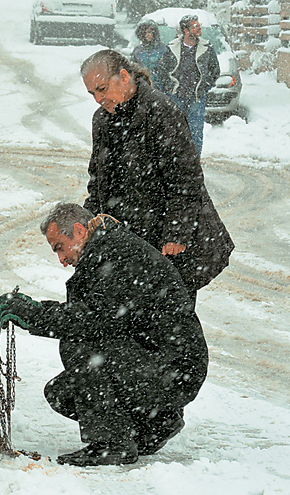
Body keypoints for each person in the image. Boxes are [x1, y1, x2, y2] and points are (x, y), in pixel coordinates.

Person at [0, 203, 209, 467]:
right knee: (61, 393)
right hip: (162, 364)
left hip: (174, 369)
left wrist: (34, 313)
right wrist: (36, 312)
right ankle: (154, 425)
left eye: (59, 247)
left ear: (80, 231)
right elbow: (92, 316)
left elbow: (91, 321)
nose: (61, 260)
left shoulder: (116, 254)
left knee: (80, 346)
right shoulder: (105, 250)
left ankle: (113, 444)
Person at [80, 48, 233, 304]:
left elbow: (186, 180)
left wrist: (175, 233)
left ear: (125, 77)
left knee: (170, 323)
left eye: (102, 89)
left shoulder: (162, 112)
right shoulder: (102, 120)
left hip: (166, 238)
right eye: (92, 93)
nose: (98, 99)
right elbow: (98, 181)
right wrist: (90, 222)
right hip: (129, 239)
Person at [157, 14, 221, 156]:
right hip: (176, 98)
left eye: (199, 25)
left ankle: (193, 166)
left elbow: (215, 70)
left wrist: (204, 87)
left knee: (196, 134)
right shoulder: (172, 48)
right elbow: (162, 71)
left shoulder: (207, 47)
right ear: (185, 31)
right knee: (174, 132)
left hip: (196, 99)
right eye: (195, 26)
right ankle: (175, 163)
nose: (199, 29)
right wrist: (169, 90)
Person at [131, 19, 167, 88]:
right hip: (143, 87)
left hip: (160, 87)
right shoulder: (137, 51)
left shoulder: (163, 49)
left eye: (149, 32)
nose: (147, 35)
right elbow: (133, 70)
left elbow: (168, 70)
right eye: (144, 33)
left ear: (154, 33)